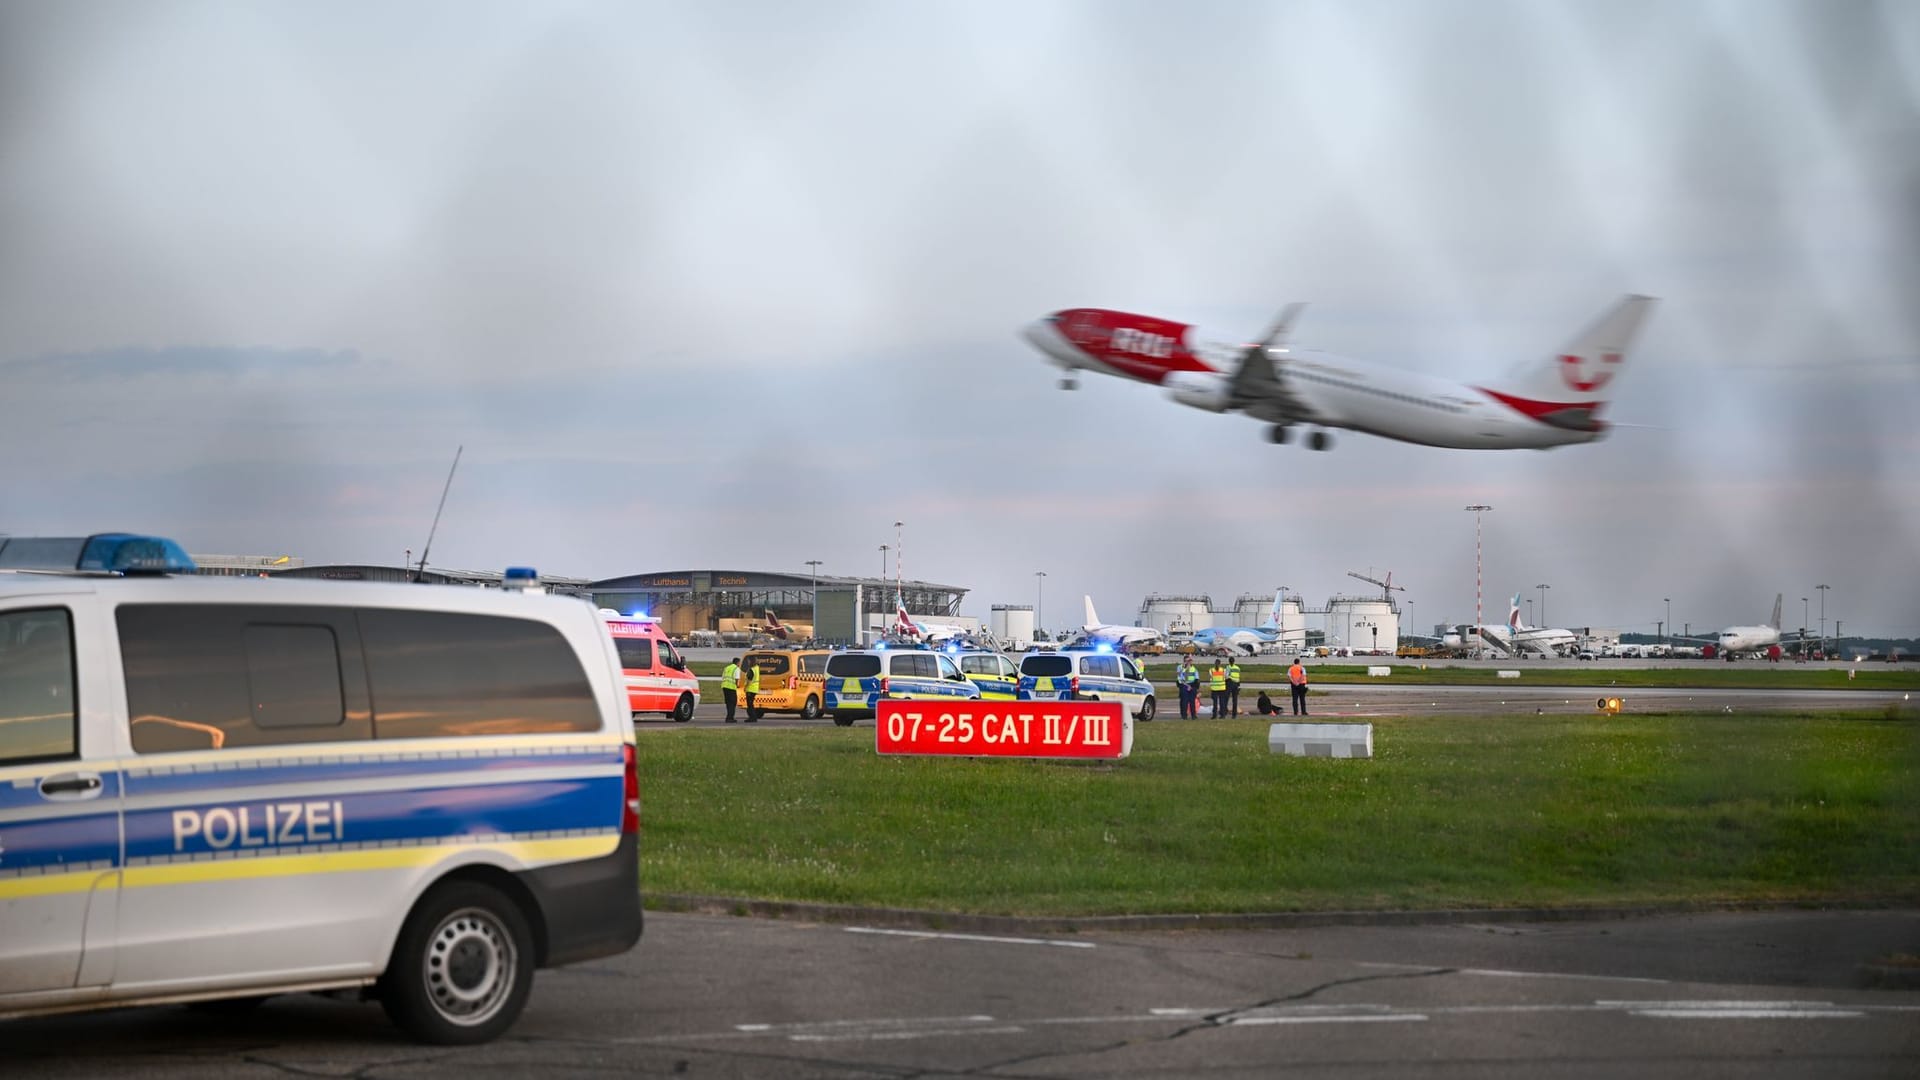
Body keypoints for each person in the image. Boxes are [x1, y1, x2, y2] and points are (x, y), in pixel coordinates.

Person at [720, 657, 741, 722]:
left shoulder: (727, 668)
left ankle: (728, 716)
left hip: (724, 687)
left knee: (728, 703)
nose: (740, 664)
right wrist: (737, 685)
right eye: (739, 662)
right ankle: (730, 718)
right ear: (737, 662)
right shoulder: (736, 668)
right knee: (733, 703)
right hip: (731, 687)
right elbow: (737, 678)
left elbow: (723, 677)